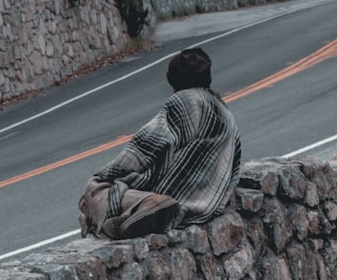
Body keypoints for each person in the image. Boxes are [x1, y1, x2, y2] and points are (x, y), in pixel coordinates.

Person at [78, 47, 242, 240]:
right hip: (210, 205)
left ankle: (146, 204)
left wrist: (106, 176)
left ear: (173, 80)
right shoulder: (225, 111)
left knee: (97, 190)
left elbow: (145, 147)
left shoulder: (183, 102)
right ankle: (143, 210)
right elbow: (235, 168)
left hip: (171, 196)